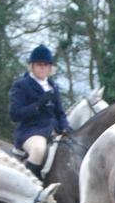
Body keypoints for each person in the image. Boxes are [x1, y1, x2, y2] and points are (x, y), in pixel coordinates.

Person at [8, 44, 70, 180]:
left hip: (54, 131)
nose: (42, 67)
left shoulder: (52, 86)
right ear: (32, 66)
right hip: (31, 132)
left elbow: (60, 112)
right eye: (39, 65)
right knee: (38, 150)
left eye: (45, 65)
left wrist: (65, 126)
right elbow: (15, 114)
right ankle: (28, 186)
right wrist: (37, 106)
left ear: (50, 67)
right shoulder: (21, 85)